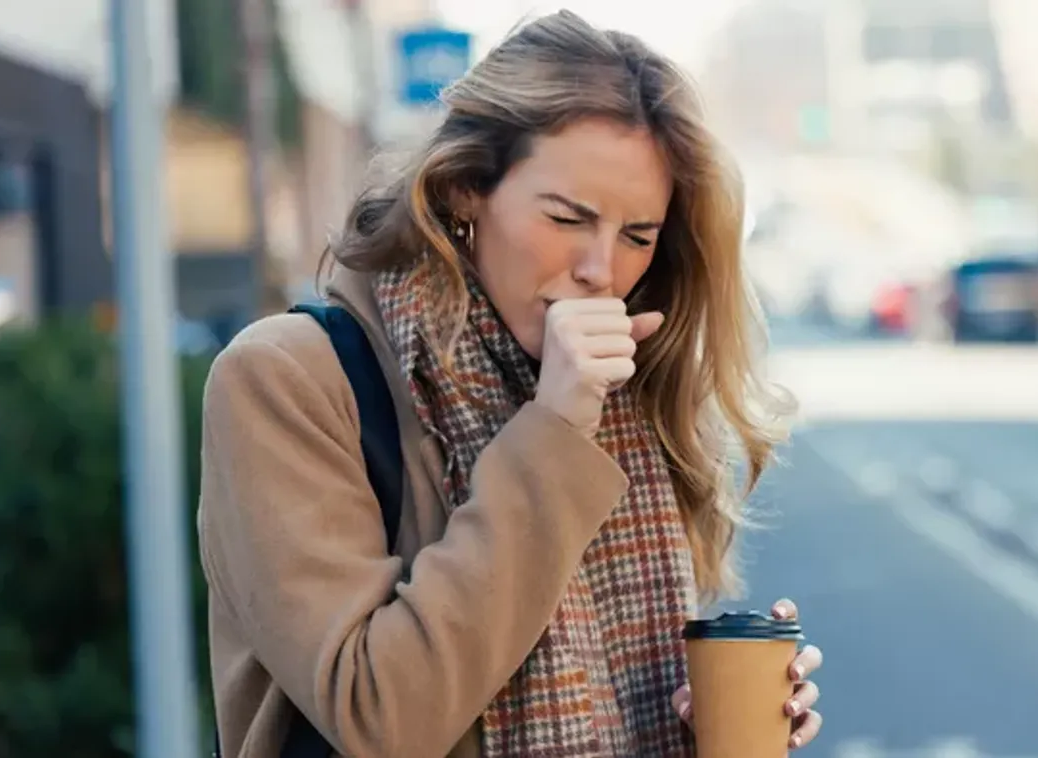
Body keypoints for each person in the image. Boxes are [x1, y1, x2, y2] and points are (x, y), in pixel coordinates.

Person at [197, 10, 823, 757]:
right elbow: (379, 718)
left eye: (637, 237)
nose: (600, 270)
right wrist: (554, 431)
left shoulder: (622, 401)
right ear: (465, 188)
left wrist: (701, 728)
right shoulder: (286, 379)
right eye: (568, 219)